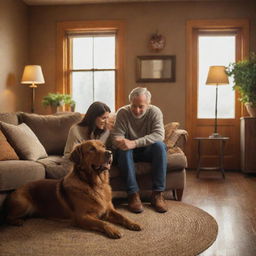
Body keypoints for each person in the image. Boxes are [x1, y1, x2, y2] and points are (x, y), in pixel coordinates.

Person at [111, 87, 167, 213]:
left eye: (141, 106)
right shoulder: (122, 112)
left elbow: (159, 135)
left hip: (148, 151)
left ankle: (157, 194)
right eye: (133, 106)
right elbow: (116, 137)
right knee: (123, 150)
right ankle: (133, 194)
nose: (137, 110)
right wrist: (122, 141)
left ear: (148, 104)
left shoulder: (155, 112)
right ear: (130, 103)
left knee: (160, 146)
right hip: (128, 152)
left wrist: (134, 143)